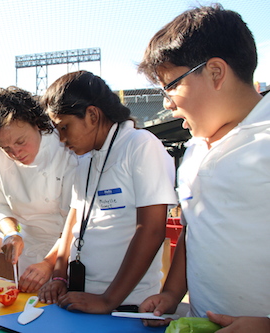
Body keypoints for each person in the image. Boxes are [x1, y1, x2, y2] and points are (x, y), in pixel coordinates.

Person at [136, 5, 270, 332]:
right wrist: (170, 292)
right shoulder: (194, 147)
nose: (166, 102)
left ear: (215, 72)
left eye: (171, 85)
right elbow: (194, 229)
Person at [37, 70, 177, 314]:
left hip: (127, 305)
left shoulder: (141, 145)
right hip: (80, 298)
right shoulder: (84, 158)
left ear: (92, 115)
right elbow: (74, 219)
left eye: (65, 127)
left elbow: (152, 230)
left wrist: (108, 300)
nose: (61, 139)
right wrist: (59, 276)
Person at [0, 86, 77, 292]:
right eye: (6, 148)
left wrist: (51, 264)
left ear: (37, 125)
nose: (15, 152)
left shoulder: (64, 145)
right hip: (30, 253)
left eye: (20, 142)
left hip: (71, 249)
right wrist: (11, 233)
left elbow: (76, 221)